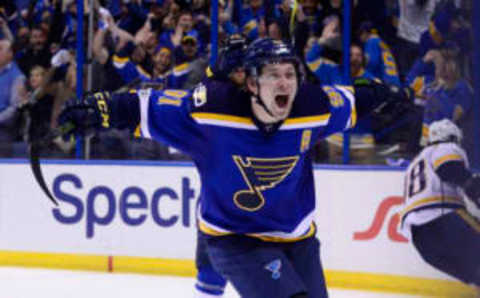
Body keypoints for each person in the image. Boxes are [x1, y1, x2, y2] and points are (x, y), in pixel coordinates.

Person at [57, 37, 410, 298]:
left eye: (290, 74)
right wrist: (98, 109)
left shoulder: (311, 107)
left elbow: (356, 99)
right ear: (252, 84)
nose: (285, 83)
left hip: (298, 237)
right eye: (274, 75)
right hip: (234, 239)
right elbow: (142, 107)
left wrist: (387, 95)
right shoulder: (210, 112)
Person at [399, 119, 480, 296]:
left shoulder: (414, 163)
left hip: (421, 241)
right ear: (453, 137)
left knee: (476, 277)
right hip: (444, 222)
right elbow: (451, 170)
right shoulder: (446, 148)